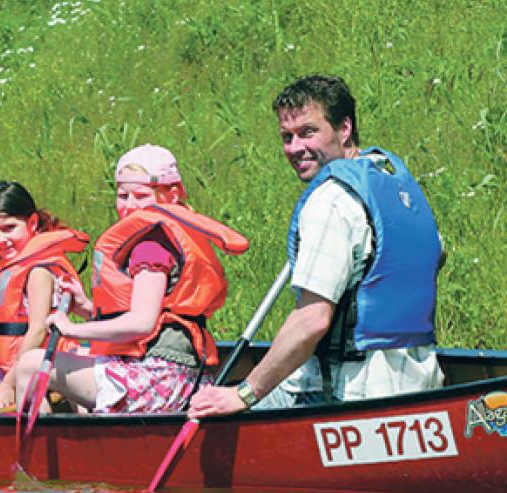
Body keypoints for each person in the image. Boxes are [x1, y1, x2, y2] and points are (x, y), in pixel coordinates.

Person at [189, 75, 444, 418]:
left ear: (344, 128)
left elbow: (311, 321)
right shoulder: (396, 184)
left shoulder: (331, 201)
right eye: (286, 137)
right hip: (421, 382)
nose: (295, 148)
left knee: (216, 402)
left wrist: (244, 394)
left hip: (349, 395)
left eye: (308, 132)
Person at [12, 144, 249, 414]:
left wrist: (71, 328)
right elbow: (150, 315)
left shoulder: (152, 247)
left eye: (141, 195)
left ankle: (35, 454)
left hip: (158, 379)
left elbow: (142, 322)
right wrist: (88, 309)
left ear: (172, 195)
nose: (130, 206)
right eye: (123, 195)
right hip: (173, 376)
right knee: (74, 359)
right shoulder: (161, 236)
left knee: (30, 365)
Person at [0, 181, 88, 411]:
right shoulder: (5, 264)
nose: (0, 240)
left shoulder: (38, 271)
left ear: (32, 223)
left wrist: (8, 384)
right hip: (1, 365)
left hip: (31, 370)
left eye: (9, 228)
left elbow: (38, 330)